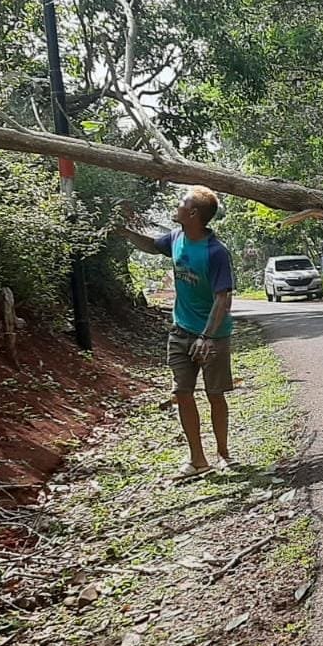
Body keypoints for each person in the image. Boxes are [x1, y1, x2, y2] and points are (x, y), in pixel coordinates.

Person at [118, 187, 236, 478]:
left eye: (182, 203)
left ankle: (223, 453)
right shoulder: (176, 238)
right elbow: (150, 246)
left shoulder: (216, 252)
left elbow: (223, 298)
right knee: (182, 393)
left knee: (215, 395)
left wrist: (206, 337)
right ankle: (197, 459)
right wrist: (124, 233)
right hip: (180, 331)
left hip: (213, 336)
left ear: (193, 213)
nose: (177, 206)